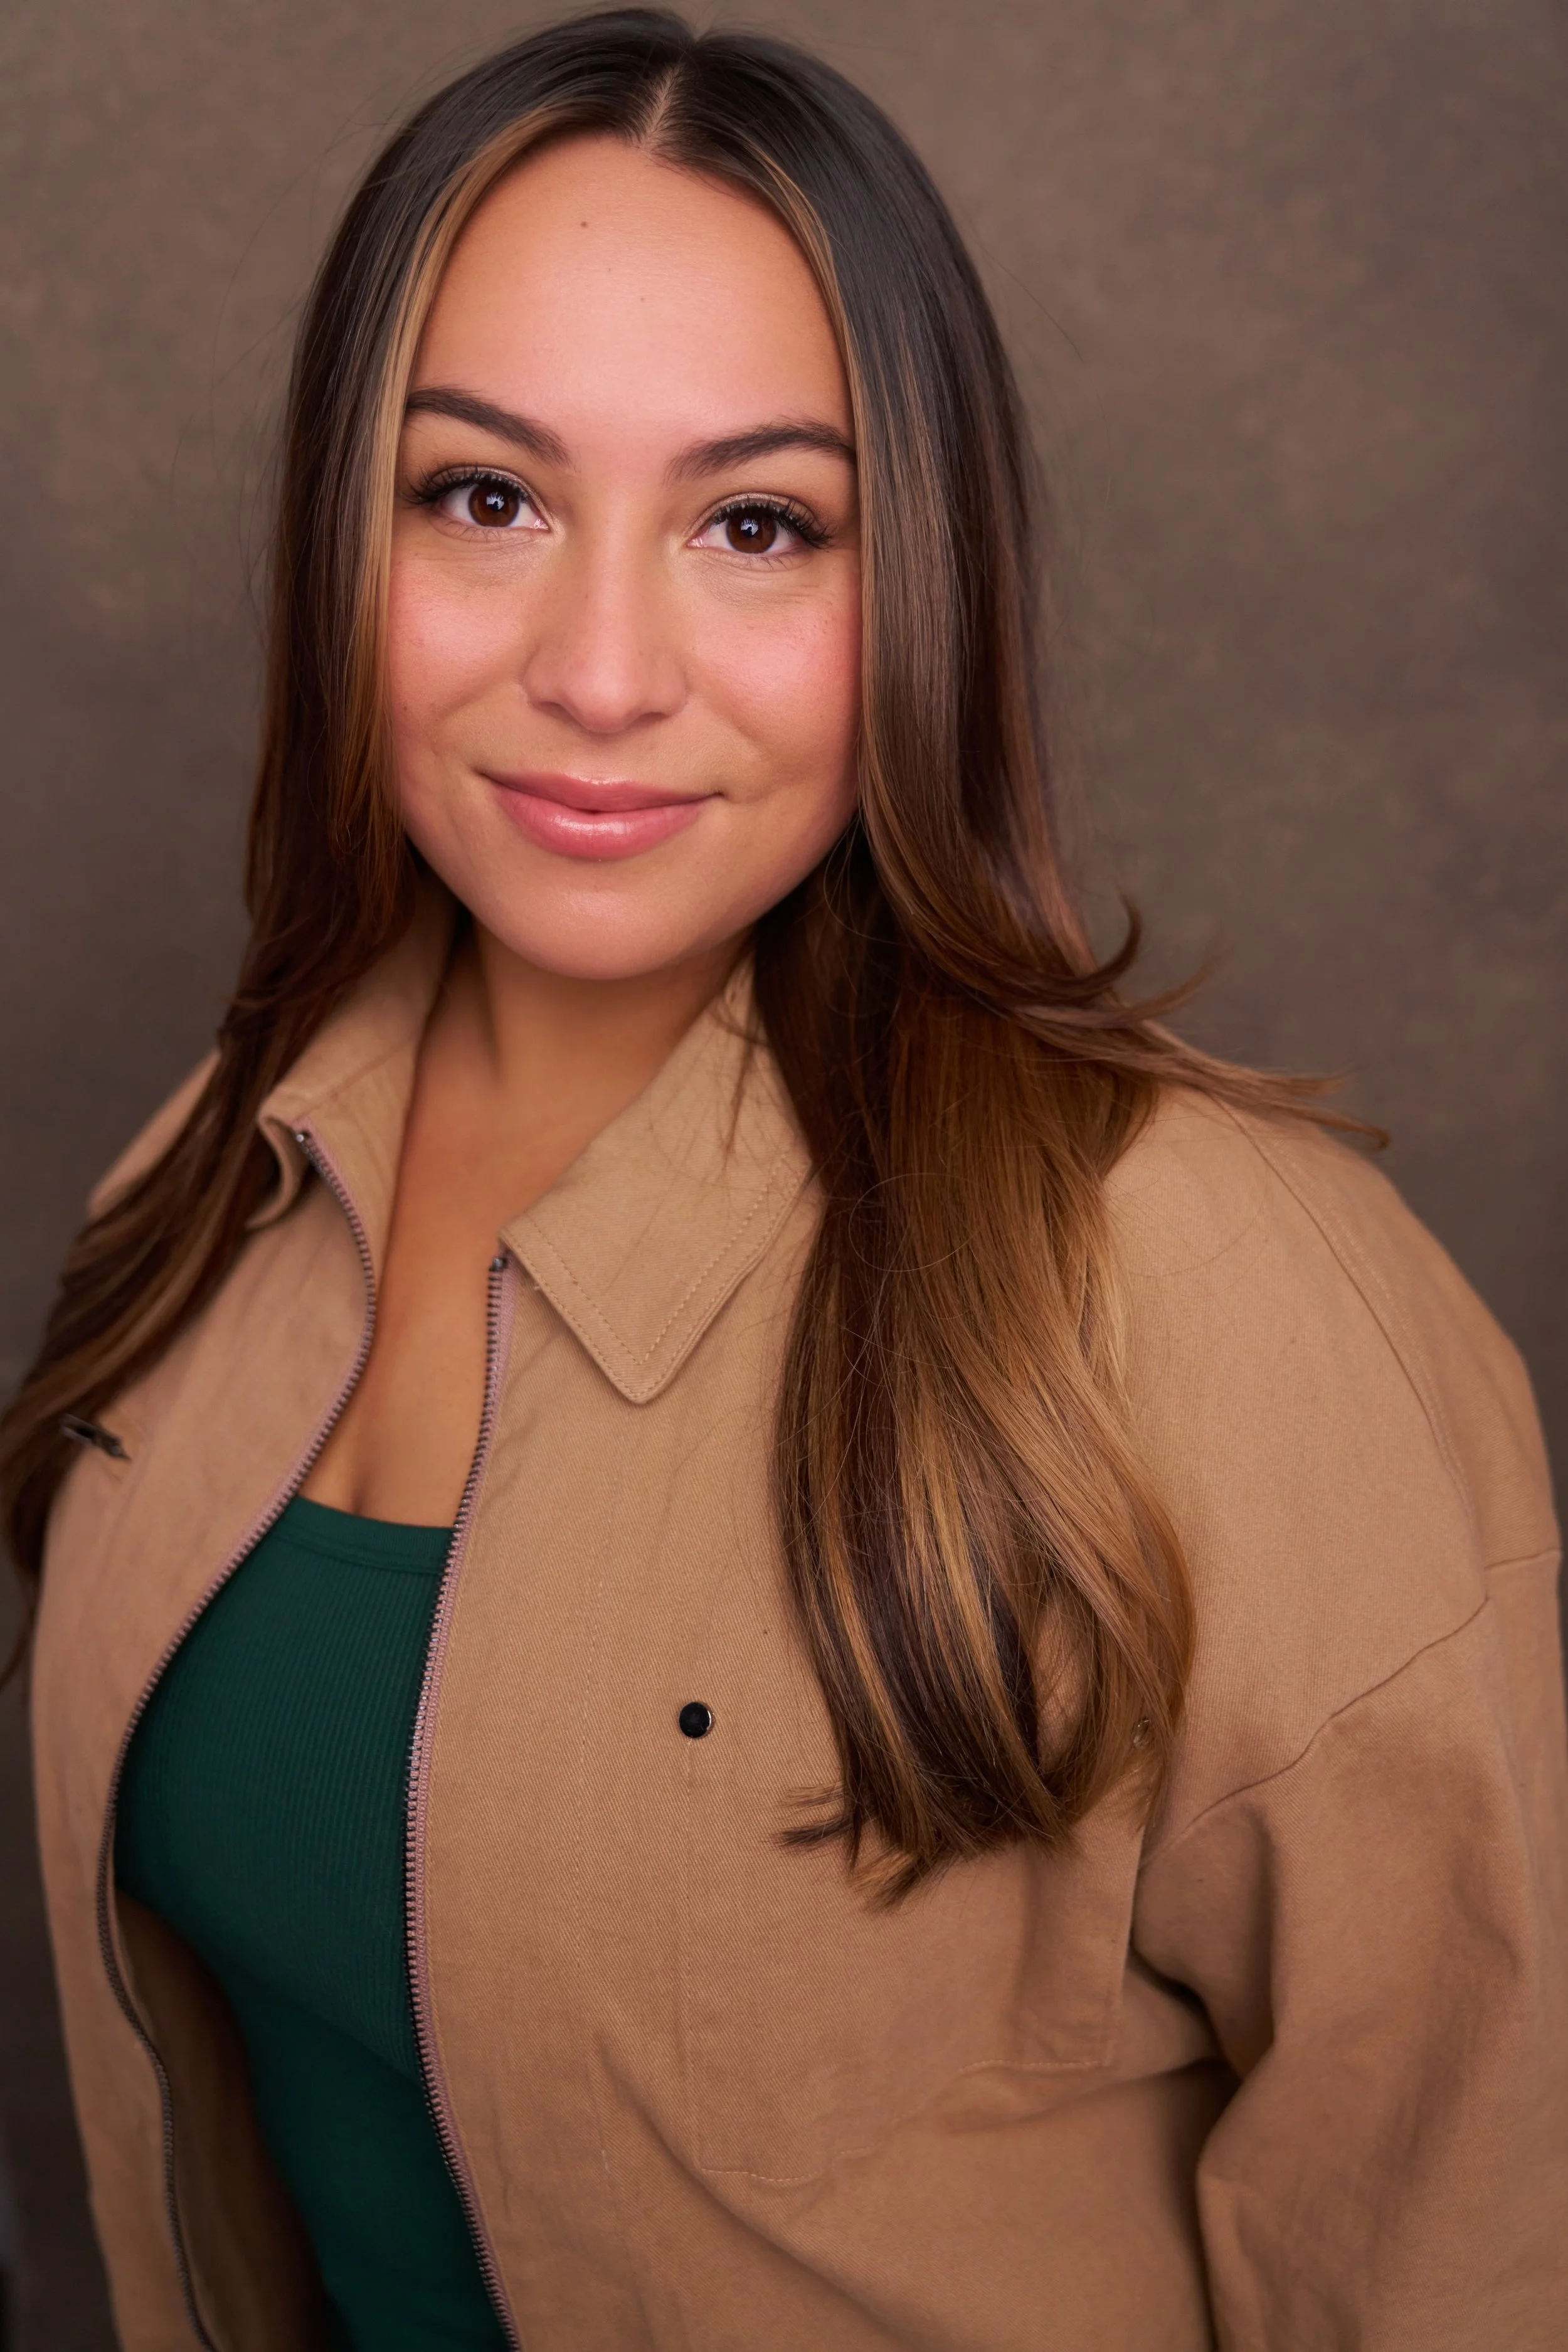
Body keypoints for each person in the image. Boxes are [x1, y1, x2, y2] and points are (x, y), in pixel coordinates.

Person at [3, 11, 1564, 2348]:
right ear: (347, 530)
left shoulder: (1231, 1304)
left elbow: (1467, 2243)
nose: (602, 668)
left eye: (758, 522)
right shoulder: (221, 1161)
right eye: (485, 497)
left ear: (918, 583)